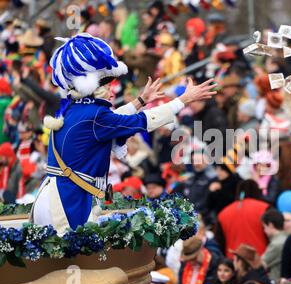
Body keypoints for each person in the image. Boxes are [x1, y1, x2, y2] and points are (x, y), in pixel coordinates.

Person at [31, 33, 217, 234]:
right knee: (76, 262)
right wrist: (183, 100)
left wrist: (140, 101)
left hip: (53, 196)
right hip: (68, 201)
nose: (112, 92)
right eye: (107, 85)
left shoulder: (74, 108)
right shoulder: (95, 115)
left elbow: (113, 121)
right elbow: (140, 122)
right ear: (94, 86)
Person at [215, 179, 269, 259]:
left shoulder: (223, 213)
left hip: (233, 261)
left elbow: (220, 243)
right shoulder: (265, 209)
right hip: (260, 259)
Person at [261, 208, 288, 282]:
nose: (264, 231)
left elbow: (261, 264)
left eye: (264, 227)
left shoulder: (276, 244)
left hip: (277, 282)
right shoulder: (286, 238)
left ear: (270, 225)